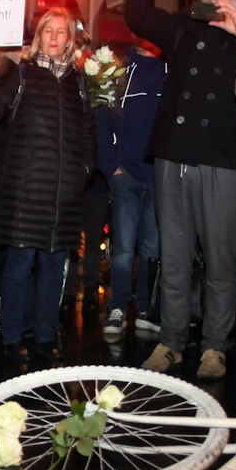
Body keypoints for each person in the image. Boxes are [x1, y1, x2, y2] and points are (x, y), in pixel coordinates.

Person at [125, 0, 236, 381]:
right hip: (175, 156)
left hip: (225, 159)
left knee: (221, 261)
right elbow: (138, 15)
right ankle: (170, 341)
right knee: (175, 255)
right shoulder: (186, 24)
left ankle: (215, 347)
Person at [0, 9, 94, 361]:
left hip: (63, 195)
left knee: (54, 267)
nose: (55, 37)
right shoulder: (22, 74)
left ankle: (44, 335)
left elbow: (87, 131)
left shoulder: (78, 81)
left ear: (70, 40)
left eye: (61, 32)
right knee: (20, 264)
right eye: (48, 31)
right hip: (26, 192)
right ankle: (11, 337)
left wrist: (85, 168)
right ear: (39, 37)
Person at [94, 41, 164, 342]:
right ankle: (118, 307)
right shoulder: (121, 72)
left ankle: (146, 309)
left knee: (152, 249)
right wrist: (111, 166)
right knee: (123, 250)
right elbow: (102, 117)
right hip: (126, 175)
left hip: (160, 177)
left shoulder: (170, 71)